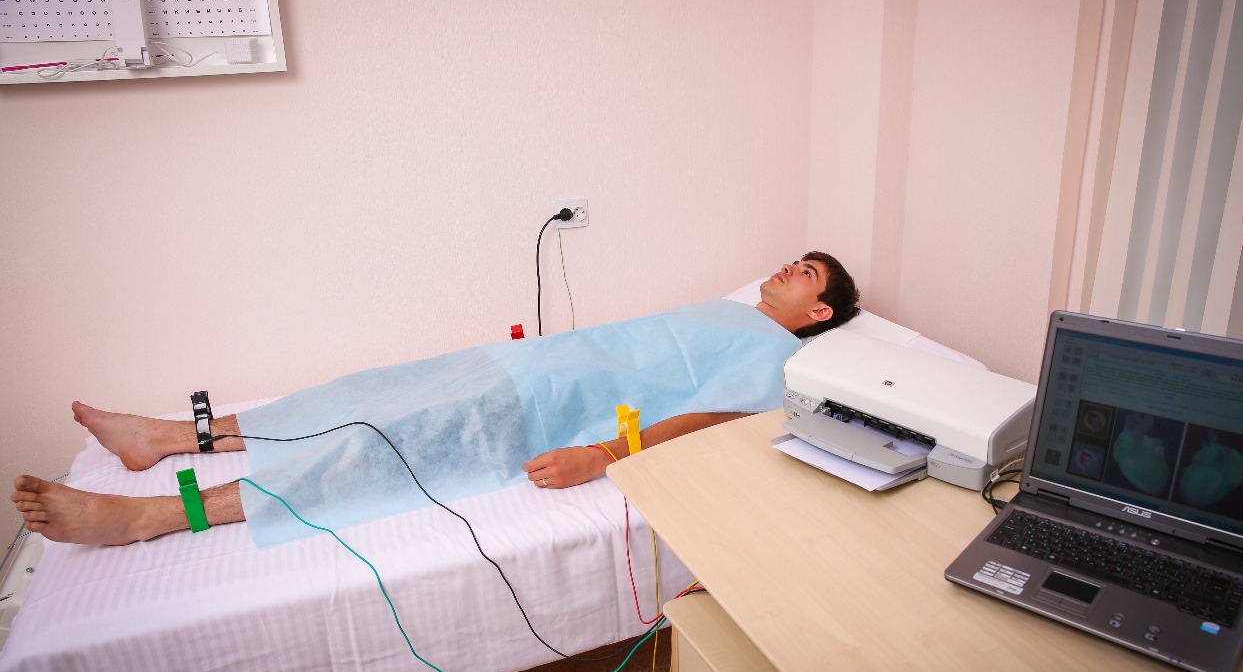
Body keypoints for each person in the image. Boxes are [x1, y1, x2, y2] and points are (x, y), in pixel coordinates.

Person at [12, 252, 859, 547]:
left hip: (549, 409)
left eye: (808, 274)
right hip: (521, 364)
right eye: (794, 260)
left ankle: (154, 516)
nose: (789, 267)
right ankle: (170, 437)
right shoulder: (728, 307)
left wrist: (602, 455)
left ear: (818, 313)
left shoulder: (777, 358)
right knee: (359, 391)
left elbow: (706, 420)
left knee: (376, 444)